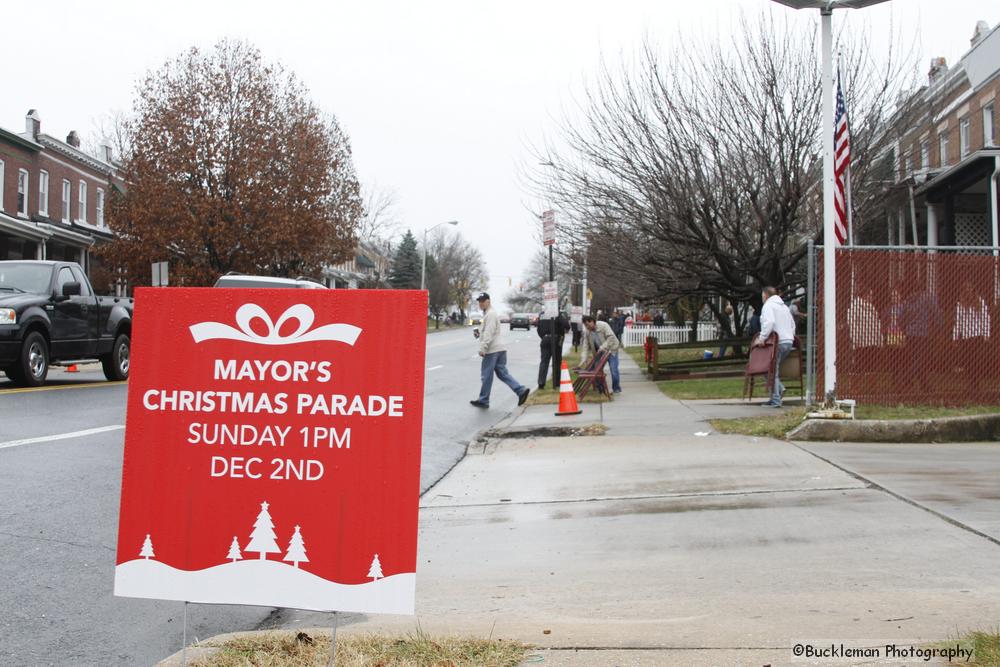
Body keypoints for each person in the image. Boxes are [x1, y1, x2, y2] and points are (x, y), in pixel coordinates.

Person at [470, 293, 530, 409]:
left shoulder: (491, 314)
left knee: (486, 375)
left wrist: (483, 348)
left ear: (488, 301)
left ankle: (483, 400)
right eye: (479, 301)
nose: (481, 303)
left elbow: (489, 332)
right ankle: (520, 390)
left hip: (492, 350)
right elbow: (486, 331)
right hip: (500, 349)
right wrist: (479, 334)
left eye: (483, 301)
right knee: (502, 373)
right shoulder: (488, 314)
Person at [753, 286, 795, 408]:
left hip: (777, 342)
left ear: (765, 295)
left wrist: (762, 338)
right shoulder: (784, 307)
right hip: (788, 341)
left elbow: (769, 323)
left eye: (762, 295)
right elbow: (792, 324)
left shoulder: (768, 306)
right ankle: (778, 391)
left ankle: (776, 399)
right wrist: (790, 335)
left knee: (771, 370)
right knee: (770, 369)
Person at [580, 314, 622, 393]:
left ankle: (616, 388)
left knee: (613, 370)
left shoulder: (603, 325)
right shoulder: (587, 332)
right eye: (585, 326)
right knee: (596, 369)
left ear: (592, 321)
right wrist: (583, 358)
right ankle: (601, 388)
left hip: (611, 349)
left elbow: (611, 337)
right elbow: (585, 346)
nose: (587, 327)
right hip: (600, 352)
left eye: (587, 325)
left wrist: (603, 347)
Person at [537, 310, 569, 390]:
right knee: (557, 362)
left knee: (544, 362)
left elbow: (538, 329)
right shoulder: (557, 314)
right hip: (556, 339)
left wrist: (544, 336)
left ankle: (541, 383)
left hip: (545, 339)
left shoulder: (542, 315)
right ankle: (557, 383)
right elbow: (566, 325)